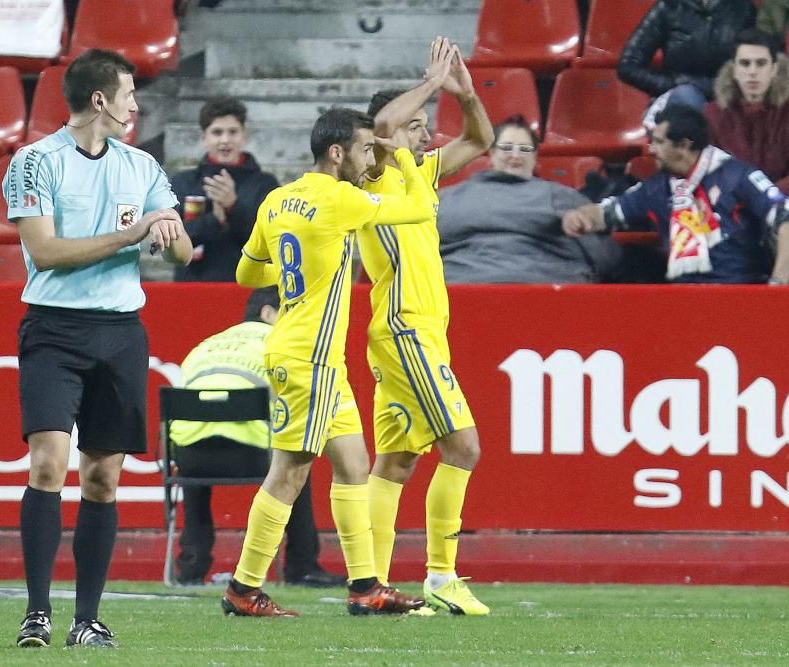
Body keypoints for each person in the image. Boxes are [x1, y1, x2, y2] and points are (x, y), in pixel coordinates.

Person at [5, 49, 193, 649]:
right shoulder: (34, 163)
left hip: (120, 333)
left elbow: (186, 252)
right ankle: (37, 613)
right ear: (99, 101)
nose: (136, 104)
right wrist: (134, 233)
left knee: (103, 479)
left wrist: (170, 231)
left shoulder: (142, 166)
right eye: (129, 94)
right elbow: (48, 252)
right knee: (47, 464)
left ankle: (87, 620)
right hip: (54, 329)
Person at [223, 107, 433, 618]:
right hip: (309, 357)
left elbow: (247, 275)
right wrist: (400, 153)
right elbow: (421, 208)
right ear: (336, 153)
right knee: (290, 472)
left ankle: (366, 588)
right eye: (366, 149)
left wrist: (298, 259)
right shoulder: (340, 198)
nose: (371, 158)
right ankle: (242, 588)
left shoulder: (277, 200)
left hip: (309, 353)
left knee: (353, 466)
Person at [359, 37, 494, 616]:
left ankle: (371, 585)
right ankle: (442, 574)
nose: (424, 135)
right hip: (405, 327)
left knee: (395, 462)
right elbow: (384, 123)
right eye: (417, 127)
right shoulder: (375, 174)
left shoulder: (419, 174)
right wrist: (431, 83)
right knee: (463, 446)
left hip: (420, 330)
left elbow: (480, 141)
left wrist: (465, 96)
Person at [170, 287, 346, 588]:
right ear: (267, 312)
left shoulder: (205, 346)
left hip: (191, 458)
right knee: (298, 456)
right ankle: (302, 566)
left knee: (195, 446)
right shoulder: (281, 345)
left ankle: (191, 564)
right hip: (250, 456)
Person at [564, 104, 789, 285]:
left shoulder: (738, 176)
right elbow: (606, 213)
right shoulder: (656, 189)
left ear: (684, 145)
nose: (651, 150)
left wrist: (777, 286)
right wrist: (581, 217)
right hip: (682, 301)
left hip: (739, 293)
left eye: (659, 142)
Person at [437, 115, 620, 283]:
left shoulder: (563, 197)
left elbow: (604, 254)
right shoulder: (447, 198)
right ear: (491, 154)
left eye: (524, 149)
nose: (515, 156)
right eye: (507, 148)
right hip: (458, 289)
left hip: (547, 291)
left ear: (535, 158)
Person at [704, 29, 789, 238]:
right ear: (733, 70)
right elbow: (705, 172)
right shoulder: (713, 114)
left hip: (784, 198)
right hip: (732, 203)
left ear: (774, 69)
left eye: (761, 64)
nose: (753, 72)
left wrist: (764, 196)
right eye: (745, 64)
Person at [170, 96, 279, 282]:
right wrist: (215, 219)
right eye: (217, 132)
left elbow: (271, 243)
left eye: (233, 132)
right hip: (192, 288)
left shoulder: (265, 185)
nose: (225, 140)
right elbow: (172, 243)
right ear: (204, 138)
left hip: (248, 289)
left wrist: (233, 206)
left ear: (244, 136)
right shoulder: (183, 183)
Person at [618, 0, 756, 110]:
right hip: (680, 100)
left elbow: (757, 61)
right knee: (687, 98)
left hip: (727, 96)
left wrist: (726, 87)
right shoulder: (669, 6)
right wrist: (673, 84)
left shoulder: (743, 8)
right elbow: (628, 65)